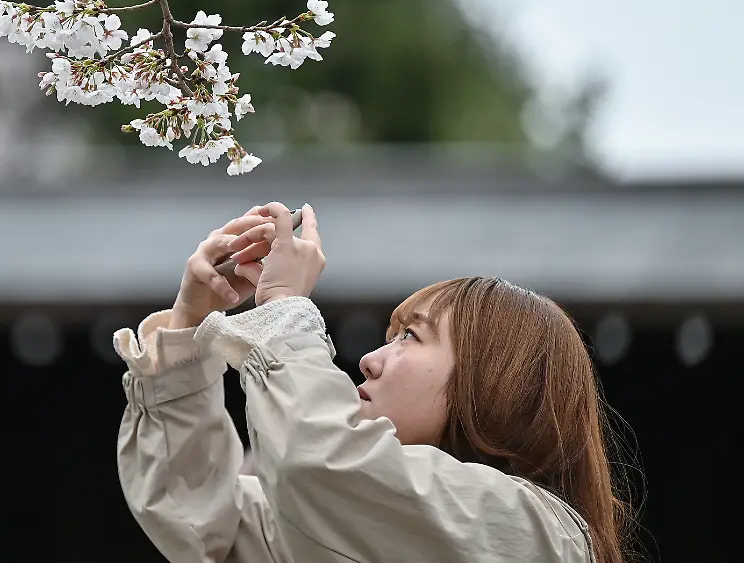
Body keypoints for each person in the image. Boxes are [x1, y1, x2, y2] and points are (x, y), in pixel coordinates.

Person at [114, 202, 634, 563]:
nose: (368, 361)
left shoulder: (535, 532)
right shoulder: (347, 518)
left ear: (497, 380)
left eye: (411, 336)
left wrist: (284, 309)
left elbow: (319, 461)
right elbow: (205, 526)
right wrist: (187, 325)